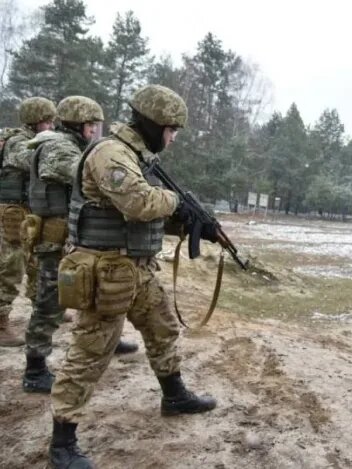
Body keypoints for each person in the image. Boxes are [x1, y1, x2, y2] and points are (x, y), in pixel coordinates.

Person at [48, 84, 217, 468]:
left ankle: (174, 395)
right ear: (153, 124)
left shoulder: (137, 157)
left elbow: (140, 218)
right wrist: (177, 202)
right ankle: (61, 445)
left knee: (162, 328)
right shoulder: (110, 153)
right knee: (90, 353)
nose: (172, 138)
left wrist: (190, 223)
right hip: (106, 271)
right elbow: (138, 202)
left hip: (137, 269)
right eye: (171, 130)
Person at [20, 96, 139, 393]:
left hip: (70, 236)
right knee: (49, 301)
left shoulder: (73, 145)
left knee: (93, 291)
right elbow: (84, 173)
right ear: (76, 124)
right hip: (53, 238)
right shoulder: (58, 146)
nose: (95, 131)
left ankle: (106, 339)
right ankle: (35, 368)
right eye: (90, 125)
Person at [0, 97, 55, 347]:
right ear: (34, 120)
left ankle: (40, 306)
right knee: (11, 264)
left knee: (36, 261)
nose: (51, 126)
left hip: (29, 209)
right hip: (12, 211)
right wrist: (52, 147)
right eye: (47, 122)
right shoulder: (17, 141)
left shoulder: (34, 139)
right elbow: (31, 161)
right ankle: (1, 321)